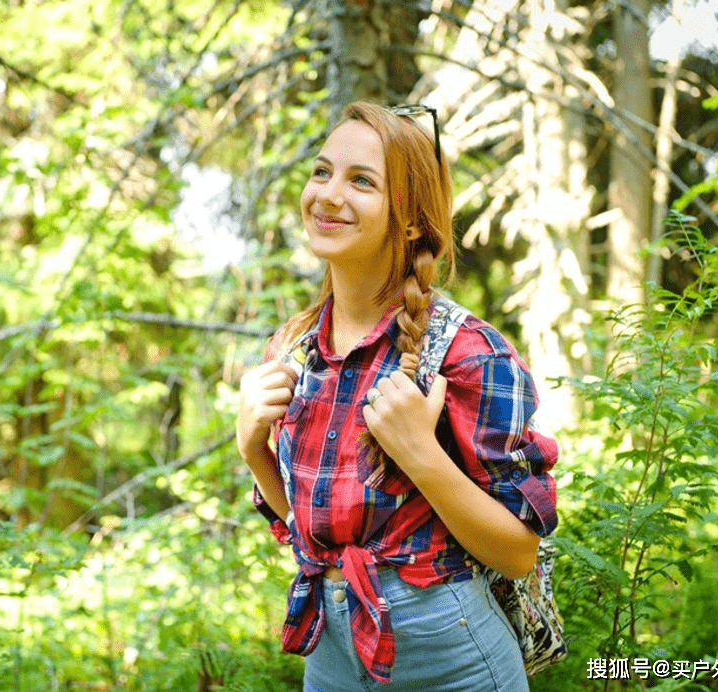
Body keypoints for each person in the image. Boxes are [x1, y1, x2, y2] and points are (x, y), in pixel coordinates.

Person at [235, 101, 559, 691]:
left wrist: (421, 453)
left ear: (411, 221)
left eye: (361, 181)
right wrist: (252, 449)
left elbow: (518, 553)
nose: (329, 195)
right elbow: (311, 535)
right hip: (331, 653)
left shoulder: (467, 353)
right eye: (321, 171)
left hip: (449, 657)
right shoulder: (292, 347)